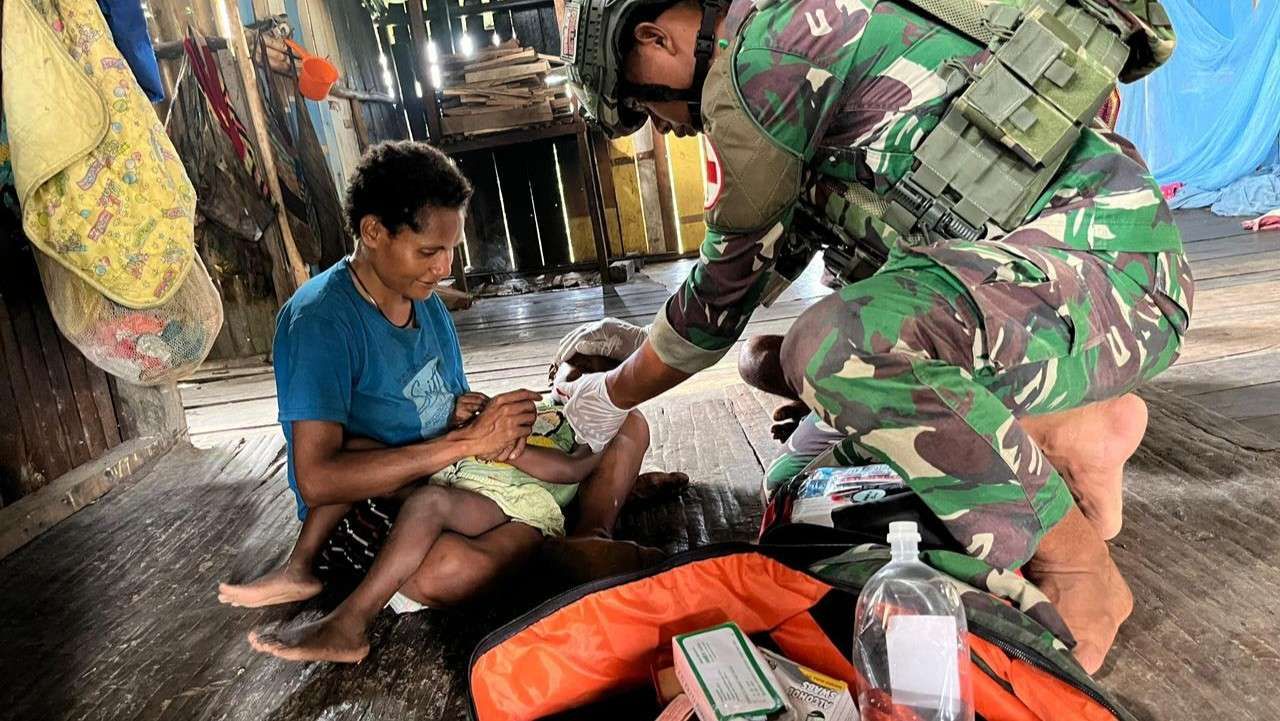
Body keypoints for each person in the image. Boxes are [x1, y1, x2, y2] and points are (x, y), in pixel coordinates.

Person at [554, 0, 1189, 673]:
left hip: (1110, 284)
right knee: (788, 445)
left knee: (833, 349)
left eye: (647, 106)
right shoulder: (784, 48)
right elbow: (754, 275)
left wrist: (609, 396)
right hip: (1055, 297)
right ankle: (1070, 429)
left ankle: (1080, 567)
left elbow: (720, 292)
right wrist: (640, 346)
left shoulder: (761, 58)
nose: (668, 127)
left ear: (656, 39)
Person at [216, 141, 665, 633]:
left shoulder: (423, 299)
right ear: (373, 232)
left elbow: (449, 409)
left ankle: (586, 532)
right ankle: (565, 531)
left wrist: (480, 416)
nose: (445, 267)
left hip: (456, 474)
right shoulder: (320, 322)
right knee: (443, 570)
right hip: (377, 499)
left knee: (628, 422)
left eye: (452, 249)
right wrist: (467, 442)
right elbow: (318, 481)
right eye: (429, 251)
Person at [246, 402, 608, 663]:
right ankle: (303, 565)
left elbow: (572, 470)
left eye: (585, 373)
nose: (571, 381)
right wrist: (471, 419)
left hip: (518, 505)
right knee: (357, 455)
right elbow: (469, 438)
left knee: (433, 507)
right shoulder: (535, 408)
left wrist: (505, 448)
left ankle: (352, 619)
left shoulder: (584, 430)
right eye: (567, 369)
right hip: (462, 480)